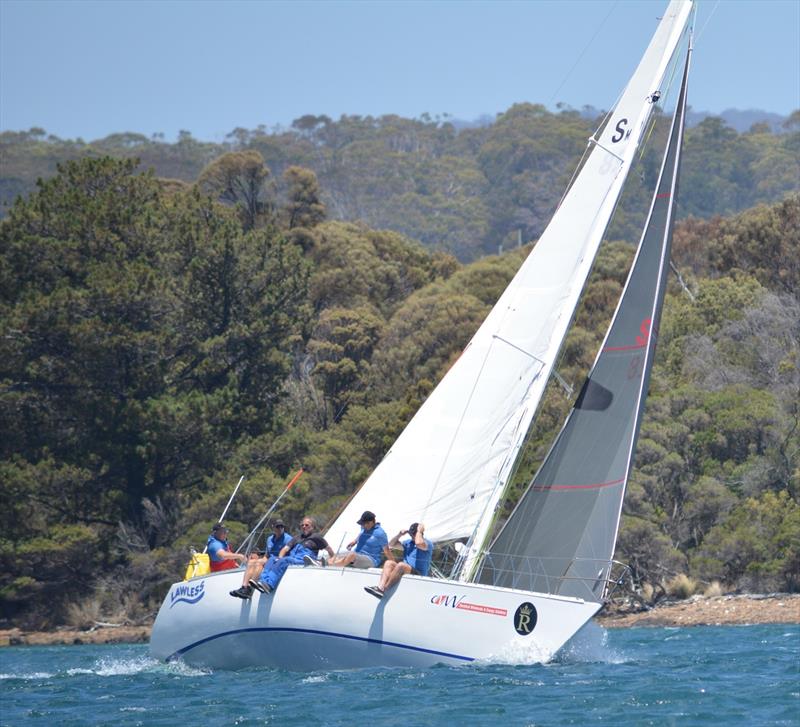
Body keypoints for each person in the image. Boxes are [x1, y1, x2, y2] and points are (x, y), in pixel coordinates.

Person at [237, 516, 334, 598]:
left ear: (312, 527)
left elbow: (330, 551)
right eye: (302, 525)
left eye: (307, 525)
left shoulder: (317, 537)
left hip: (304, 559)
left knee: (285, 560)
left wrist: (331, 561)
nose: (304, 527)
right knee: (271, 559)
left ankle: (269, 585)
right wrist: (279, 557)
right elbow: (285, 549)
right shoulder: (296, 537)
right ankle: (262, 581)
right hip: (294, 558)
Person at [364, 522, 432, 599]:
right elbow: (391, 544)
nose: (412, 536)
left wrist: (419, 531)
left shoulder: (427, 543)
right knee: (389, 562)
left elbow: (419, 543)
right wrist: (399, 534)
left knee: (401, 565)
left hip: (419, 573)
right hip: (406, 569)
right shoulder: (408, 543)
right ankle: (380, 587)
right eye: (410, 534)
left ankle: (384, 589)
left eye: (414, 534)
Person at [229, 520, 291, 599]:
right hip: (269, 559)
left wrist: (263, 561)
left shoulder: (288, 539)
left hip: (277, 562)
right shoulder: (269, 539)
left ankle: (249, 588)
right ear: (273, 527)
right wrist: (262, 559)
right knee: (251, 562)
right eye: (277, 527)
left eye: (281, 527)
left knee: (259, 563)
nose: (280, 529)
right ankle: (244, 587)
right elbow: (267, 554)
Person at [309, 510, 387, 569]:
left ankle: (328, 565)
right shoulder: (364, 528)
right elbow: (361, 534)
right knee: (336, 555)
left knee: (352, 555)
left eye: (364, 523)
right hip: (358, 554)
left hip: (371, 559)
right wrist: (354, 541)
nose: (362, 525)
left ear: (371, 522)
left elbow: (386, 550)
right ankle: (319, 562)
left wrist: (392, 563)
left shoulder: (380, 533)